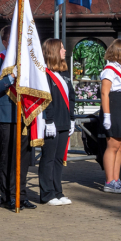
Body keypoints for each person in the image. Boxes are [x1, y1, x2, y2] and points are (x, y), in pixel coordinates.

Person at [0, 26, 35, 210]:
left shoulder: (26, 61)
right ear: (5, 42)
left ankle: (21, 195)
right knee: (6, 157)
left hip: (24, 114)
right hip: (7, 116)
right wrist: (10, 77)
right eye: (14, 41)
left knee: (23, 158)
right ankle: (7, 195)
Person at [38, 39, 76, 206]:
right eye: (61, 48)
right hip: (52, 123)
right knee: (48, 158)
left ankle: (57, 191)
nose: (64, 50)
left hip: (65, 121)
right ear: (53, 51)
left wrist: (72, 118)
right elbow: (46, 100)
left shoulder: (64, 74)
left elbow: (72, 97)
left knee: (59, 159)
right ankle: (47, 193)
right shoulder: (44, 74)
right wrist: (49, 120)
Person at [99, 40, 121, 195]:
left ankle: (116, 179)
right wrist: (107, 115)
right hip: (113, 106)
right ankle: (109, 182)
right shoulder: (109, 70)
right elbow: (104, 93)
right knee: (112, 145)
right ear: (120, 51)